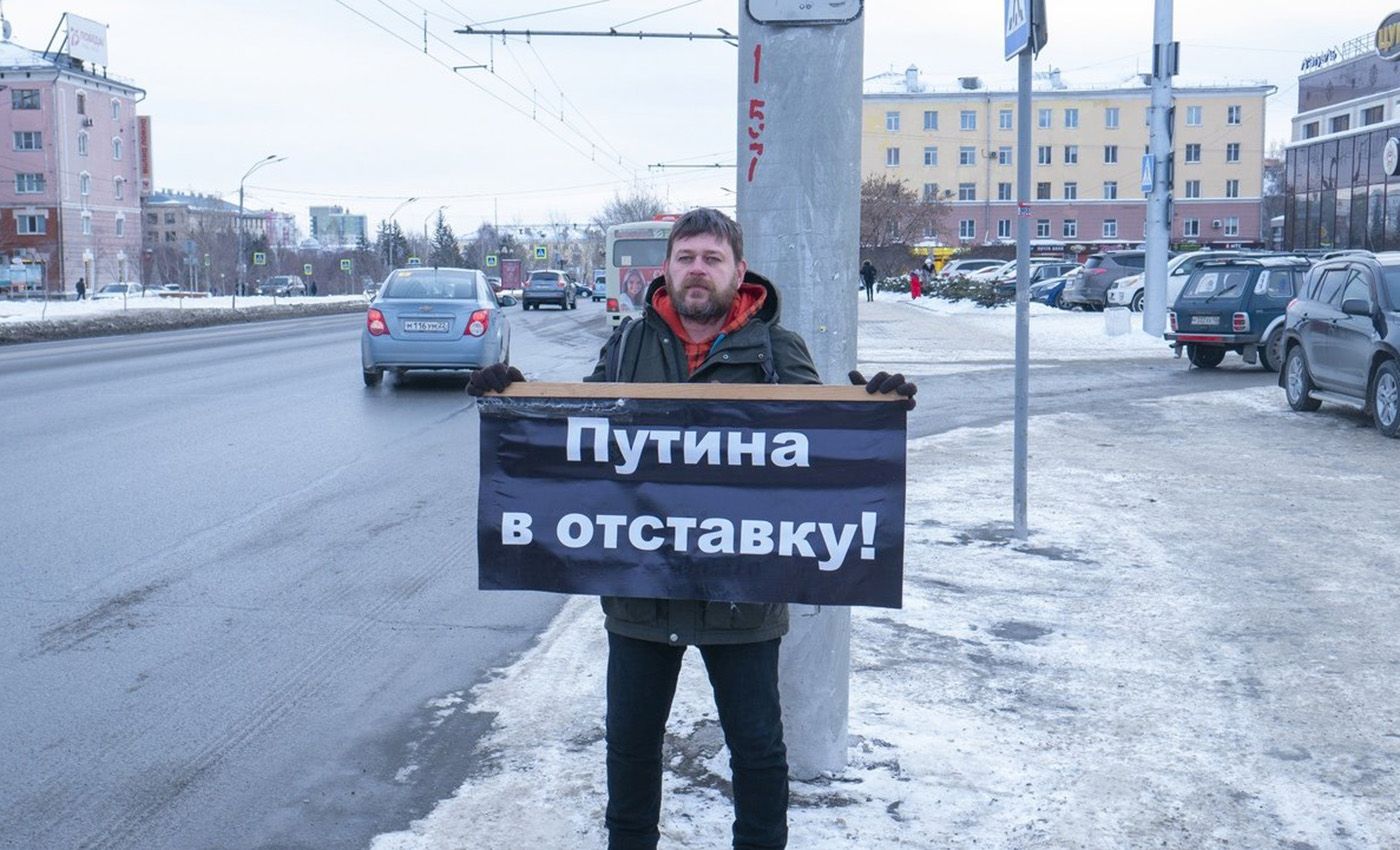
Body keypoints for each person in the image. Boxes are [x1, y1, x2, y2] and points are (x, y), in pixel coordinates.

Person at [469, 208, 916, 850]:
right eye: (686, 258)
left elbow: (816, 455)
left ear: (739, 270)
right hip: (641, 594)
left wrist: (869, 412)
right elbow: (577, 440)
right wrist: (515, 403)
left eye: (712, 258)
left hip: (743, 594)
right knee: (630, 747)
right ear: (668, 268)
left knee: (757, 751)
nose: (697, 270)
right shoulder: (628, 346)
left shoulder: (776, 349)